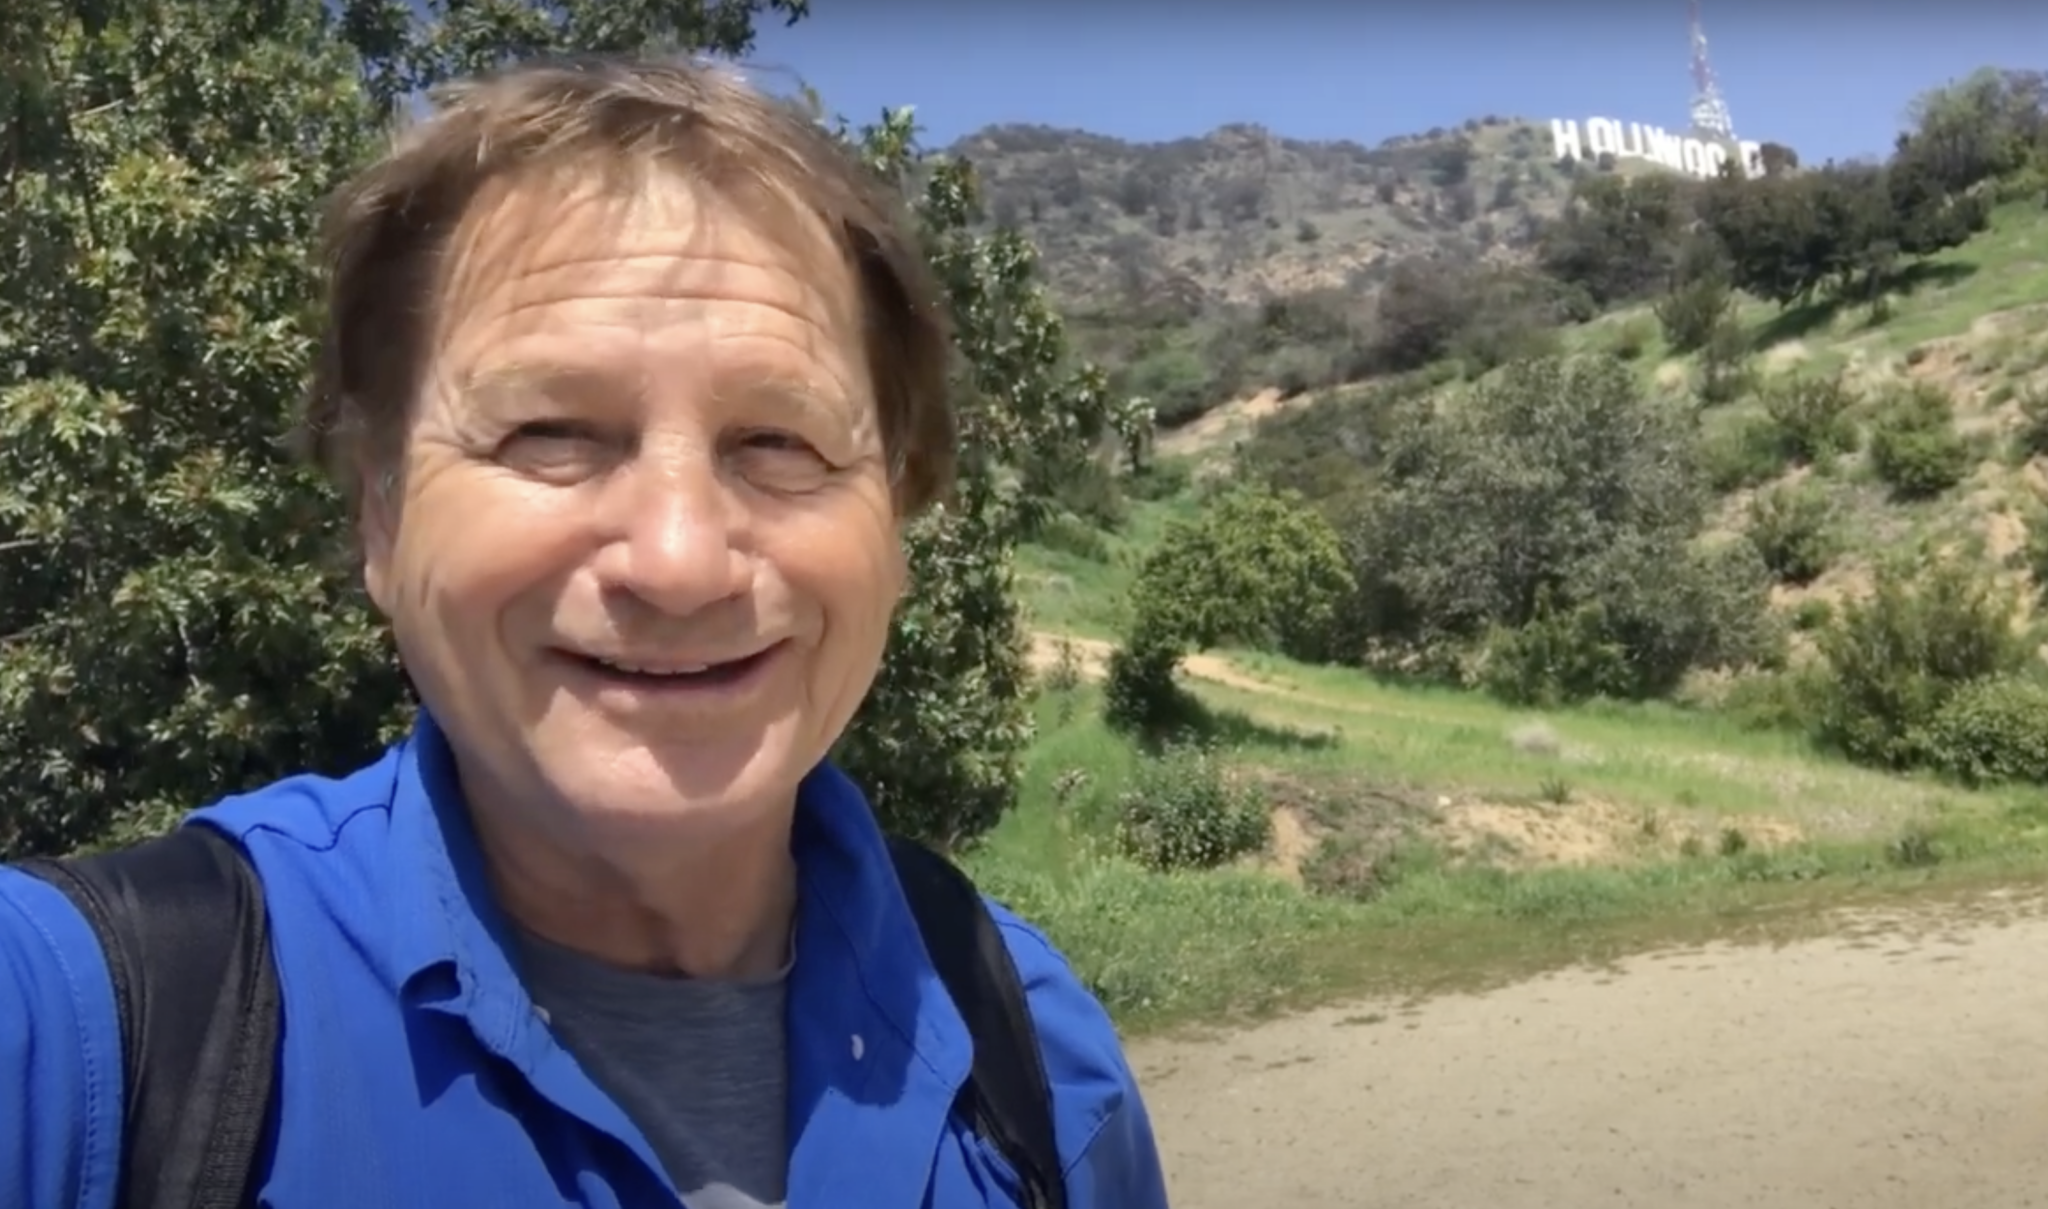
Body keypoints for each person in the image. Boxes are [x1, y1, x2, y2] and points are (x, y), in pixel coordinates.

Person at [0, 55, 1171, 1209]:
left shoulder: (1030, 1053)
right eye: (551, 433)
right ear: (382, 509)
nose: (677, 562)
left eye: (781, 444)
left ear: (896, 531)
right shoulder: (95, 1031)